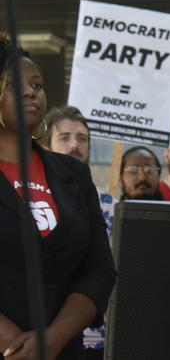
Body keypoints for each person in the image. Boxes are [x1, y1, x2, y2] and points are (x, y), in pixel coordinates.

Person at [0, 40, 115, 359]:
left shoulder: (73, 174)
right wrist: (13, 343)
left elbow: (99, 270)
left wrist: (53, 339)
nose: (31, 92)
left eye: (37, 84)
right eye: (14, 85)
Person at [41, 105, 114, 359]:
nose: (75, 145)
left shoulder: (113, 206)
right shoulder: (35, 202)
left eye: (82, 138)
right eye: (65, 137)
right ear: (46, 146)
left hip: (104, 337)